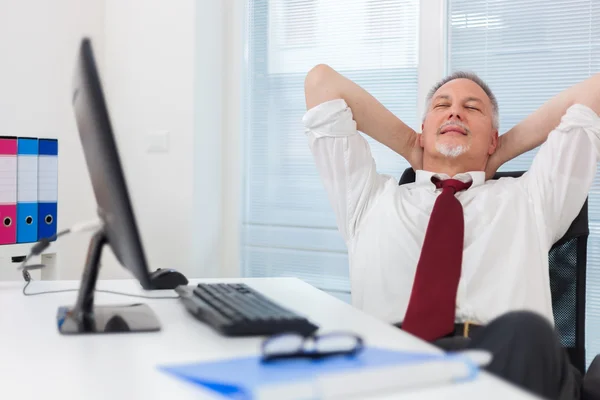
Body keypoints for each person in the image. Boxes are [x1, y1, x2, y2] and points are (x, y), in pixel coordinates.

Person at [302, 64, 600, 400]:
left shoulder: (533, 198)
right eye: (442, 106)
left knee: (526, 331)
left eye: (472, 108)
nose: (455, 111)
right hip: (392, 370)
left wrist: (501, 151)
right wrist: (410, 144)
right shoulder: (368, 199)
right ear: (423, 128)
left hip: (504, 364)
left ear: (492, 138)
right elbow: (321, 83)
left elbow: (595, 92)